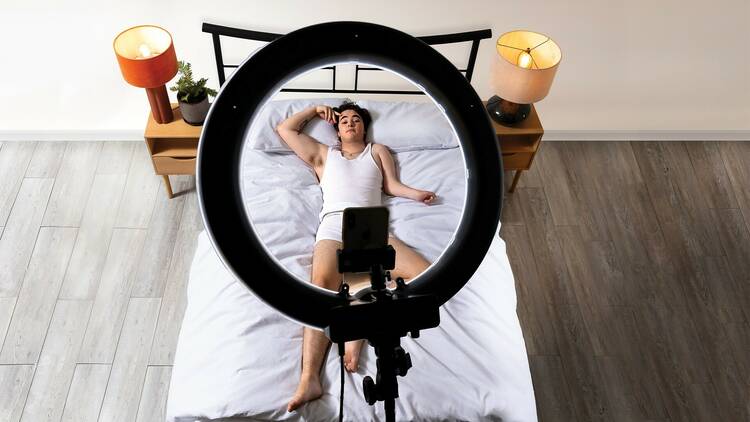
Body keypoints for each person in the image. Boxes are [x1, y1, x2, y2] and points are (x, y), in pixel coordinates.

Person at [276, 101, 436, 412]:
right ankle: (309, 378)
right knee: (320, 287)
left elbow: (391, 185)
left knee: (425, 275)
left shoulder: (377, 150)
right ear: (336, 128)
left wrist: (416, 194)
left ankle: (359, 322)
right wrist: (312, 111)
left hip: (369, 226)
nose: (351, 123)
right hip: (334, 224)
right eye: (345, 120)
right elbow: (285, 129)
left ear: (364, 127)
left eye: (356, 120)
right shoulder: (324, 155)